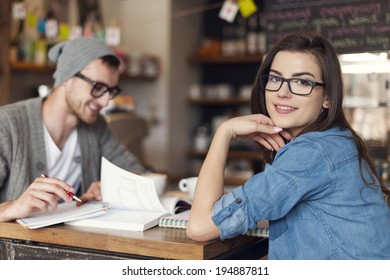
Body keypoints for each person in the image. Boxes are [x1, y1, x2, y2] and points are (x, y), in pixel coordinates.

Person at [186, 31, 390, 259]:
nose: (283, 92)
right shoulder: (335, 139)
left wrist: (223, 133)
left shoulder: (312, 152)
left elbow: (200, 227)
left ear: (328, 97)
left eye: (302, 82)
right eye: (275, 78)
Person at [0, 37, 146, 222]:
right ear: (67, 77)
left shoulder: (97, 126)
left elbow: (135, 171)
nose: (105, 101)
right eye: (98, 87)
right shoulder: (7, 125)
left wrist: (111, 186)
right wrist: (12, 207)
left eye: (110, 91)